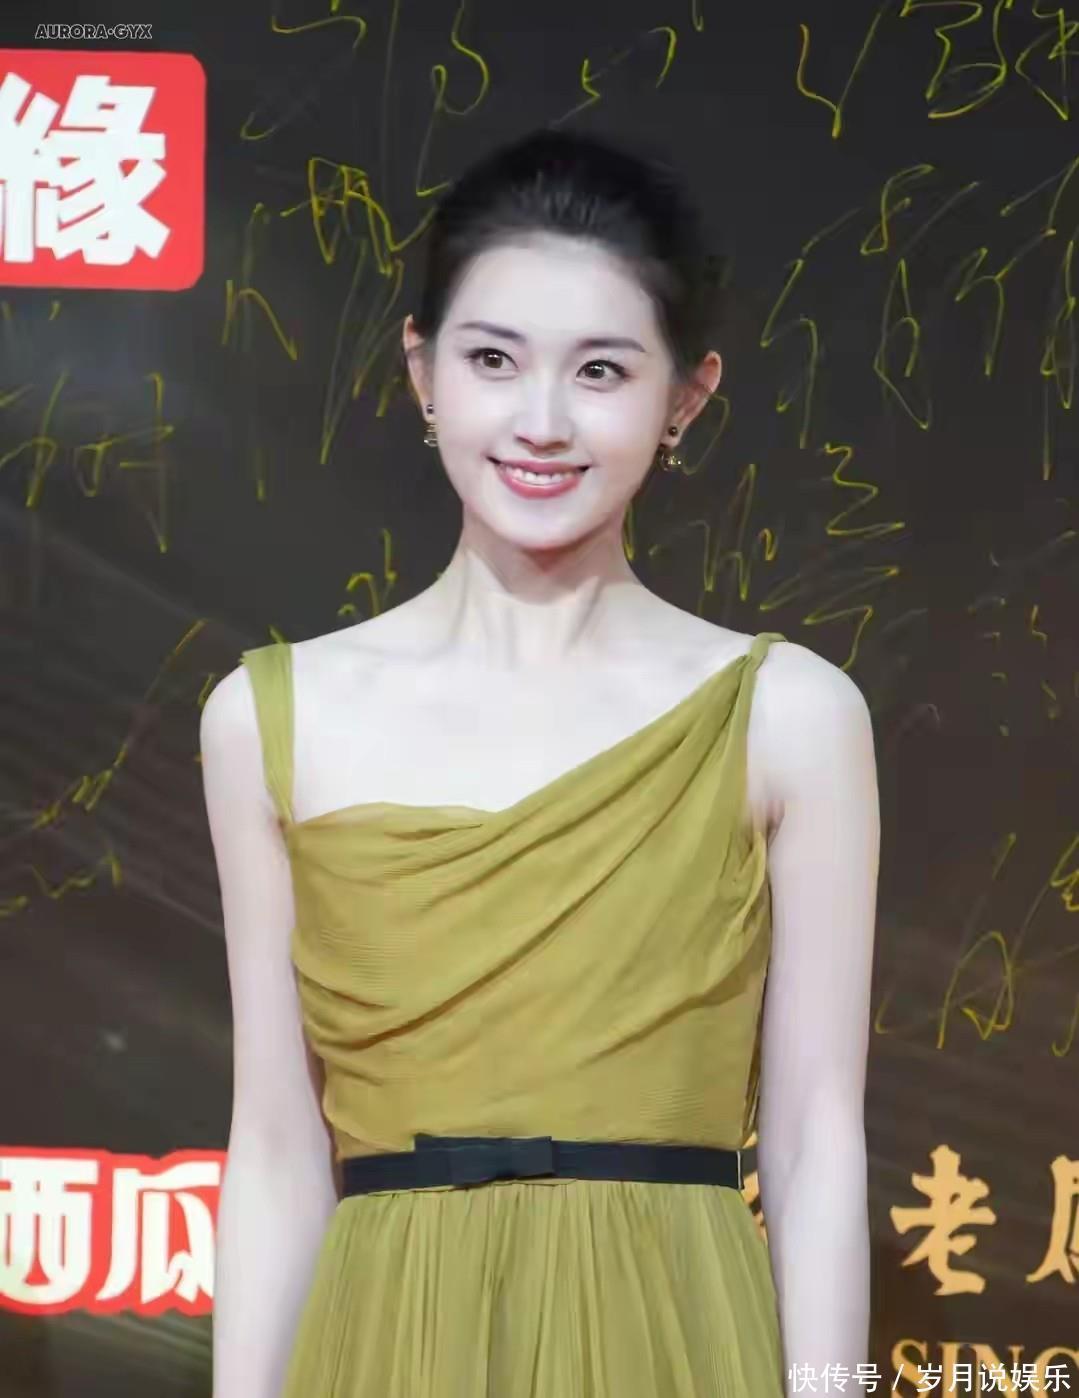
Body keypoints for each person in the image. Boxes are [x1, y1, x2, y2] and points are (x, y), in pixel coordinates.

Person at [200, 127, 880, 1398]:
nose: (542, 422)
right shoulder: (269, 720)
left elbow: (811, 1144)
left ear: (684, 399)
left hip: (675, 1338)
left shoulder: (788, 716)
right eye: (493, 360)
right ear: (423, 371)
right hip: (386, 1343)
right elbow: (278, 1150)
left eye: (602, 370)